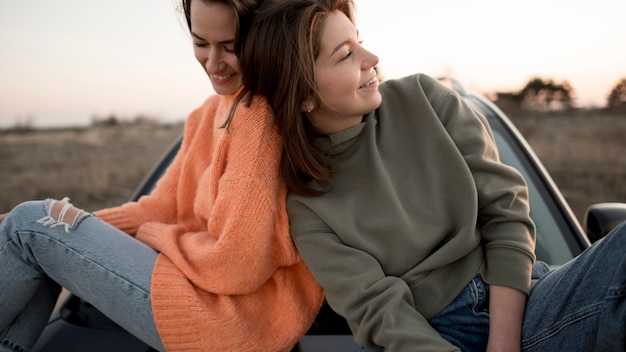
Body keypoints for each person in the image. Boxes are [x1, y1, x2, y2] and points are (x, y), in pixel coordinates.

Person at [236, 0, 626, 351]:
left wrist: (503, 343)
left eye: (360, 42)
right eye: (345, 55)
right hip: (432, 335)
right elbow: (376, 309)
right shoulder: (308, 205)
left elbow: (506, 209)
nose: (371, 57)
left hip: (522, 295)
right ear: (303, 95)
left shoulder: (425, 97)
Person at [0, 0, 323, 351]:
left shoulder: (259, 117)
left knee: (29, 224)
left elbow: (237, 265)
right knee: (36, 231)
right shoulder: (206, 114)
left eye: (231, 48)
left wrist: (155, 235)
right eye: (201, 44)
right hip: (200, 293)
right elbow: (162, 206)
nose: (213, 63)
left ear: (264, 38)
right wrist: (78, 228)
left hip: (233, 322)